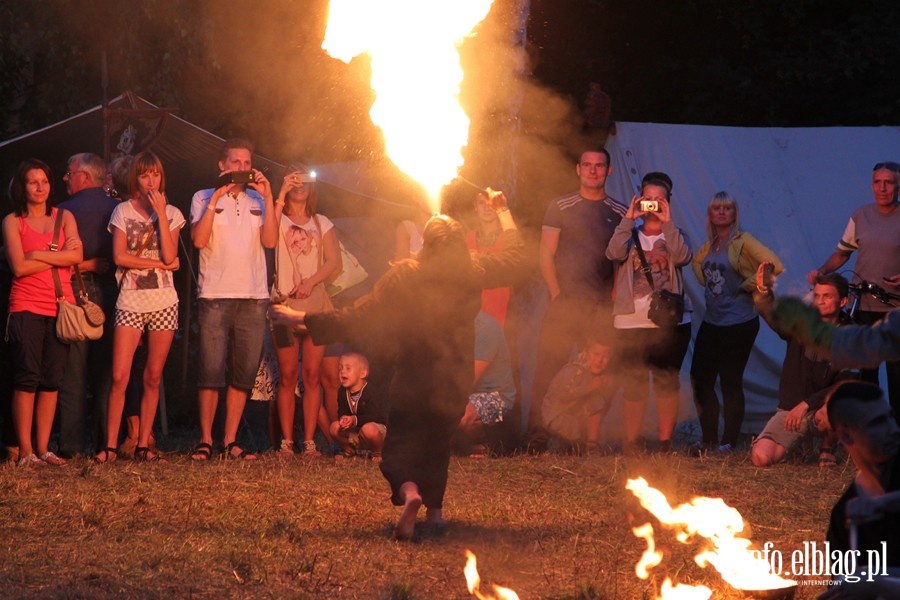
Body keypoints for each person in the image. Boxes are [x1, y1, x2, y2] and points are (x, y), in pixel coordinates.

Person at [270, 190, 523, 541]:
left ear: (427, 243)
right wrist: (504, 211)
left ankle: (410, 493)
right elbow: (515, 258)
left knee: (399, 449)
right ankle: (435, 517)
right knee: (437, 445)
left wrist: (298, 316)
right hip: (453, 377)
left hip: (414, 378)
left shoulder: (406, 275)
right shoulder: (472, 270)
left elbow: (358, 316)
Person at [529, 146, 626, 449]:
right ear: (578, 169)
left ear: (609, 170)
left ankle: (582, 439)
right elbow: (545, 253)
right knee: (548, 367)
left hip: (599, 308)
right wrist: (556, 293)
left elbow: (622, 262)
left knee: (598, 374)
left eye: (599, 166)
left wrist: (612, 298)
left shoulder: (620, 211)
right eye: (587, 165)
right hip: (565, 303)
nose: (593, 170)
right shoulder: (560, 206)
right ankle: (537, 436)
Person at [189, 138, 276, 461]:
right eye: (235, 162)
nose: (241, 168)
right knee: (211, 370)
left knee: (243, 372)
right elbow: (198, 240)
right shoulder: (202, 197)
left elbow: (270, 241)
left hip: (253, 295)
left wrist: (268, 197)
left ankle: (230, 440)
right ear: (222, 165)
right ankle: (205, 439)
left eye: (246, 163)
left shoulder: (257, 198)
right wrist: (216, 198)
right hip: (214, 293)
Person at [95, 152, 184, 463]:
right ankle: (109, 445)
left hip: (164, 301)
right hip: (131, 300)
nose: (151, 181)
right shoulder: (122, 210)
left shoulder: (171, 212)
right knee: (120, 375)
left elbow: (173, 254)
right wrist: (157, 262)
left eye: (156, 175)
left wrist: (161, 214)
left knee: (153, 375)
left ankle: (144, 443)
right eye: (145, 175)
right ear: (136, 179)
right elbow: (120, 257)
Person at [3, 159, 83, 466]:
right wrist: (55, 257)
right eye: (33, 182)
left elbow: (78, 255)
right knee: (27, 377)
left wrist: (36, 254)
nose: (40, 187)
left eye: (45, 181)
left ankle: (44, 447)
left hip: (60, 305)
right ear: (22, 187)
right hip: (26, 305)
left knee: (52, 379)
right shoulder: (13, 221)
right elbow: (19, 267)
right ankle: (24, 450)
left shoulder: (65, 217)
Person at [690, 191, 783, 455]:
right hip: (713, 320)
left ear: (734, 214)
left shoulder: (743, 241)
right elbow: (699, 266)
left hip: (740, 321)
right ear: (710, 214)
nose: (721, 212)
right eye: (716, 208)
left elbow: (773, 265)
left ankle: (728, 441)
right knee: (701, 379)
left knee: (730, 380)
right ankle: (708, 439)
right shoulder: (710, 245)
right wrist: (707, 281)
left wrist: (746, 285)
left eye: (727, 208)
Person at [606, 172, 692, 453]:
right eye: (648, 199)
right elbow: (613, 253)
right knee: (634, 383)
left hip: (669, 322)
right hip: (630, 321)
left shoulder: (676, 234)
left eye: (660, 200)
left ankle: (665, 442)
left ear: (668, 202)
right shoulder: (628, 233)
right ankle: (633, 441)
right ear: (640, 200)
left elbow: (682, 257)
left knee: (667, 381)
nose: (653, 205)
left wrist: (668, 224)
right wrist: (629, 218)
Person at [807, 161, 900, 414]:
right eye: (877, 182)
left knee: (896, 377)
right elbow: (842, 254)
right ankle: (867, 436)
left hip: (894, 311)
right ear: (871, 185)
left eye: (888, 182)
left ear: (897, 185)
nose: (882, 188)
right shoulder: (861, 215)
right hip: (863, 306)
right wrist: (823, 272)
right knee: (863, 375)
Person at [271, 165, 341, 457]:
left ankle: (310, 441)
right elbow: (267, 237)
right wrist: (281, 193)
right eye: (294, 179)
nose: (300, 184)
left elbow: (334, 262)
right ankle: (287, 442)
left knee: (312, 375)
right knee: (287, 374)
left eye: (305, 180)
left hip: (315, 303)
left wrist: (310, 282)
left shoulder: (321, 221)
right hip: (284, 301)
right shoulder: (276, 217)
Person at [750, 269, 854, 467]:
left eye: (827, 296)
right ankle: (797, 446)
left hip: (819, 412)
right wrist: (763, 292)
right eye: (817, 296)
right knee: (761, 458)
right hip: (791, 413)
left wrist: (806, 403)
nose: (820, 301)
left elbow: (845, 385)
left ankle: (827, 448)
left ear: (842, 302)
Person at [55, 152, 120, 458]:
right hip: (112, 296)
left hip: (74, 295)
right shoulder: (119, 209)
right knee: (108, 373)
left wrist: (81, 265)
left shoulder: (62, 213)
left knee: (73, 375)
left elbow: (53, 259)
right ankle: (106, 444)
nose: (65, 178)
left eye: (69, 173)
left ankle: (70, 445)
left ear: (84, 176)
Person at [825, 381, 900, 571]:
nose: (894, 429)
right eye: (878, 422)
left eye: (891, 417)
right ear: (846, 436)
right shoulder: (843, 515)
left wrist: (883, 503)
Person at [456, 311, 517, 457]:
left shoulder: (484, 327)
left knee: (461, 415)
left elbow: (469, 380)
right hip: (469, 395)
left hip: (497, 400)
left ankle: (483, 445)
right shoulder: (453, 326)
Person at [541, 332, 614, 453]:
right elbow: (563, 395)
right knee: (596, 400)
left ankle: (590, 444)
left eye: (605, 357)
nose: (600, 360)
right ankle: (558, 444)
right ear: (586, 352)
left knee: (597, 400)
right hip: (557, 417)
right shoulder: (576, 369)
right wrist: (589, 387)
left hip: (571, 415)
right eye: (595, 354)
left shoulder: (593, 372)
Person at [466, 190, 513, 328]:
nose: (487, 208)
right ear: (475, 206)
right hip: (472, 313)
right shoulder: (466, 238)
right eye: (481, 203)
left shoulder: (510, 237)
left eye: (491, 203)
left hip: (504, 312)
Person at [330, 352, 386, 461]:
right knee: (334, 427)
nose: (342, 371)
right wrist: (344, 419)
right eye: (340, 368)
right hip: (356, 432)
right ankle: (349, 450)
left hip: (374, 431)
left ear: (362, 373)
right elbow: (342, 411)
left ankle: (377, 452)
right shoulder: (342, 392)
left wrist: (354, 419)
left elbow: (374, 416)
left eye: (348, 368)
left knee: (369, 429)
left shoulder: (371, 391)